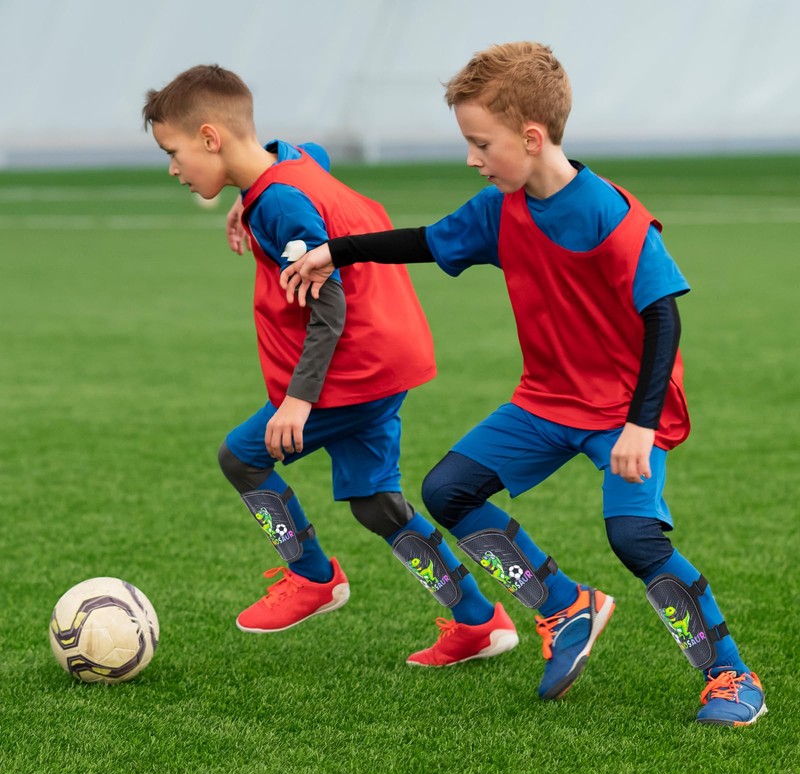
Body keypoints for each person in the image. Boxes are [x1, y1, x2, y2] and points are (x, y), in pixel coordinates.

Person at [280, 42, 766, 725]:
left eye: (481, 144)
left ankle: (731, 675)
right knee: (448, 490)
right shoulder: (497, 209)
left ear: (532, 138)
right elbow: (425, 240)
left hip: (625, 410)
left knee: (635, 538)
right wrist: (337, 251)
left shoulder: (610, 215)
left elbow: (663, 317)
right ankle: (565, 605)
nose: (471, 158)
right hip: (546, 400)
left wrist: (640, 424)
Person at [142, 65, 521, 666]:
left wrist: (297, 401)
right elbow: (306, 152)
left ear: (210, 138)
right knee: (376, 503)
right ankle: (477, 620)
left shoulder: (281, 204)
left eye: (173, 152)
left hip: (354, 367)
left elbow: (329, 304)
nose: (173, 169)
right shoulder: (288, 169)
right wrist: (243, 199)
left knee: (241, 458)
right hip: (390, 354)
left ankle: (312, 577)